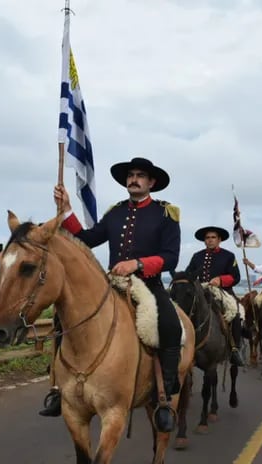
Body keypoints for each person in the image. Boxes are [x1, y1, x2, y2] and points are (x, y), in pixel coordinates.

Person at [45, 157, 182, 432]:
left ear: (151, 182)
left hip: (147, 283)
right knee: (63, 321)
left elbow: (170, 258)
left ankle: (165, 394)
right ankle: (59, 388)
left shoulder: (166, 214)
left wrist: (138, 263)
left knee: (170, 325)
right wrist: (67, 210)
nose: (134, 179)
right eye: (131, 175)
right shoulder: (116, 212)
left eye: (140, 175)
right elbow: (87, 238)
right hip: (112, 283)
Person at [185, 226, 244, 367]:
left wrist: (220, 280)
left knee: (234, 313)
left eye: (213, 237)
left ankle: (235, 348)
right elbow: (189, 273)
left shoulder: (228, 256)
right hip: (201, 290)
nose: (210, 240)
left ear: (219, 240)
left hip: (222, 291)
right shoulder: (197, 256)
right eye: (207, 238)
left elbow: (235, 277)